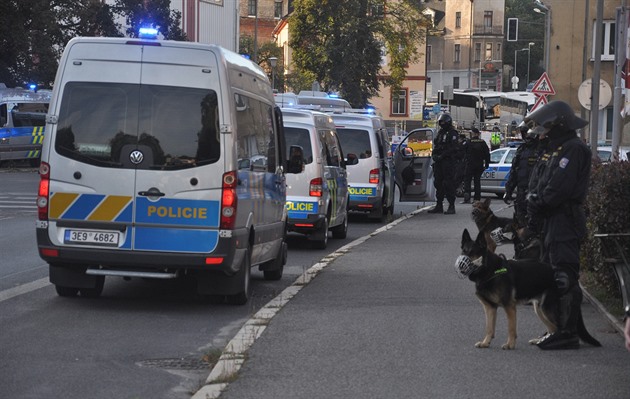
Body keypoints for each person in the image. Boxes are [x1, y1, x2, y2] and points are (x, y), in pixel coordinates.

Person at [524, 100, 591, 350]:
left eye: (548, 128)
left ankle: (568, 332)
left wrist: (539, 201)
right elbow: (544, 180)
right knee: (553, 274)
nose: (545, 133)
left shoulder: (573, 149)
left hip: (564, 219)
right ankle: (557, 326)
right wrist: (534, 200)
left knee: (563, 276)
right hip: (554, 220)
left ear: (559, 125)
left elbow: (559, 186)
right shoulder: (560, 148)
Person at [503, 121, 540, 227]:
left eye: (527, 133)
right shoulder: (521, 149)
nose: (526, 136)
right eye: (524, 133)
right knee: (520, 225)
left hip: (536, 194)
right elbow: (514, 172)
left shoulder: (543, 149)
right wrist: (508, 190)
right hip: (521, 194)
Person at [428, 113, 460, 214]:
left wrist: (443, 155)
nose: (442, 124)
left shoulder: (453, 133)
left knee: (448, 183)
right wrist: (435, 155)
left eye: (443, 122)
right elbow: (437, 145)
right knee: (438, 183)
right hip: (439, 162)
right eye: (440, 122)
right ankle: (439, 205)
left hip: (448, 162)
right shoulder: (440, 133)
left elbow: (453, 148)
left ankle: (451, 205)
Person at [461, 128, 490, 204]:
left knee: (467, 181)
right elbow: (487, 154)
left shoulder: (468, 142)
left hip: (470, 165)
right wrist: (487, 164)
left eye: (472, 133)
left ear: (475, 134)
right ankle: (477, 199)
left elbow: (462, 152)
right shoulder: (482, 142)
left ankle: (467, 199)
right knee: (477, 182)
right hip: (479, 165)